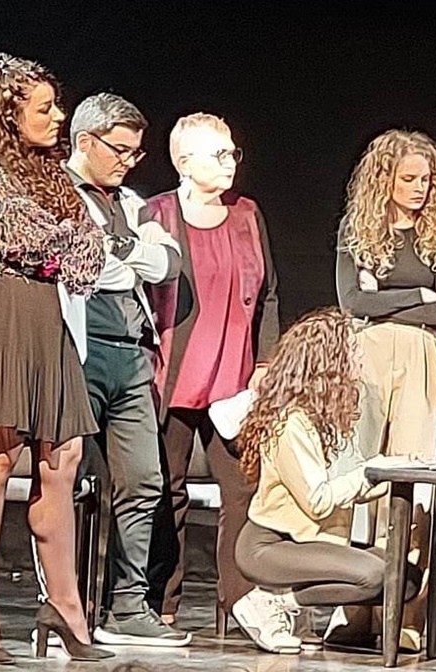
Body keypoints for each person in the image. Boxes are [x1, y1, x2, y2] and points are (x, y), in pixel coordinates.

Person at [0, 50, 111, 663]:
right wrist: (62, 239)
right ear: (7, 114)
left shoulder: (51, 175)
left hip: (46, 317)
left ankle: (67, 607)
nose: (58, 117)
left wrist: (64, 241)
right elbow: (23, 232)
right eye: (45, 108)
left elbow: (91, 255)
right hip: (0, 313)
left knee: (63, 461)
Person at [61, 92, 188, 647]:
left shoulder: (133, 203)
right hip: (76, 351)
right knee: (65, 480)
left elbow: (167, 264)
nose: (128, 161)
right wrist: (131, 255)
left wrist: (124, 251)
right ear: (85, 141)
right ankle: (63, 604)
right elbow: (92, 268)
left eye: (135, 152)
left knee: (143, 480)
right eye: (119, 149)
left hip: (131, 354)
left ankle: (128, 606)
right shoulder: (58, 193)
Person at [144, 112, 280, 631]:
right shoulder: (157, 214)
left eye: (231, 153)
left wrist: (264, 362)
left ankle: (239, 602)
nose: (230, 163)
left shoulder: (246, 214)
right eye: (218, 154)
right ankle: (160, 602)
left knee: (242, 491)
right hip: (171, 378)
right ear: (184, 162)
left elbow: (268, 294)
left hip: (233, 382)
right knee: (166, 491)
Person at [335, 128, 436, 651]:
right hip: (367, 354)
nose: (419, 189)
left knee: (415, 481)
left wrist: (385, 297)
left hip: (420, 354)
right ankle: (352, 609)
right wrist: (418, 293)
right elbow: (351, 303)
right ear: (383, 178)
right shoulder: (357, 228)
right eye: (408, 179)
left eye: (426, 180)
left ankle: (406, 612)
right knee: (360, 476)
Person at [231, 307, 421, 653]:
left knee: (404, 579)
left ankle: (281, 603)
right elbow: (317, 500)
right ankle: (269, 604)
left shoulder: (324, 418)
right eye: (353, 352)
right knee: (373, 575)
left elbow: (345, 485)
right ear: (328, 363)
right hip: (271, 545)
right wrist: (368, 472)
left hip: (309, 542)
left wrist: (391, 473)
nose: (360, 360)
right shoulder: (290, 423)